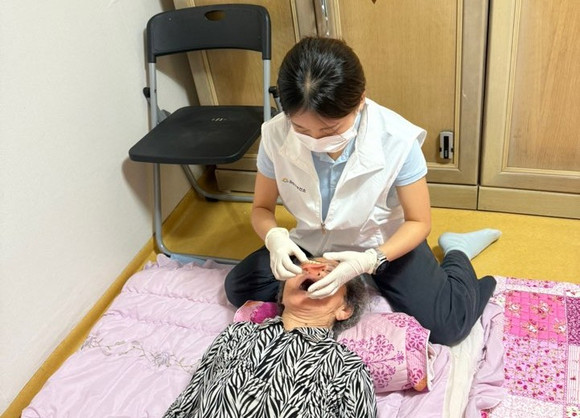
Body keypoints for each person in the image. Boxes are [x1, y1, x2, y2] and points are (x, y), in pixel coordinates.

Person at [224, 36, 499, 346]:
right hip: (313, 243)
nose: (316, 140)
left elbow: (419, 222)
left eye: (329, 130)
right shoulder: (275, 134)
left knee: (448, 326)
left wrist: (370, 261)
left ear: (360, 100)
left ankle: (458, 250)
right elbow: (262, 209)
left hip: (381, 244)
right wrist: (275, 237)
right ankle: (352, 277)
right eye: (301, 129)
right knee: (239, 288)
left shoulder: (397, 139)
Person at [163, 258, 377, 418]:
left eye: (330, 272)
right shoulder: (238, 333)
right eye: (303, 267)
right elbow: (191, 396)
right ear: (282, 296)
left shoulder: (348, 365)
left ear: (345, 309)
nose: (314, 269)